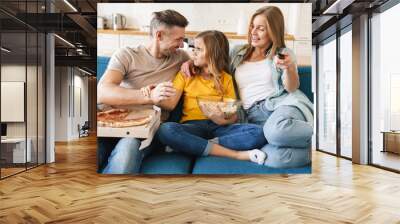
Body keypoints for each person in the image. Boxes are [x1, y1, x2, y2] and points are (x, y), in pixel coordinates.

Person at [182, 6, 313, 168]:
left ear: (273, 31)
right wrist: (191, 62)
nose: (253, 32)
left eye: (260, 28)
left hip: (281, 107)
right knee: (272, 158)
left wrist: (290, 67)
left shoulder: (283, 53)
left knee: (276, 132)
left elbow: (291, 87)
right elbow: (213, 57)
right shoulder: (238, 52)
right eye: (252, 26)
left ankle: (319, 137)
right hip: (253, 118)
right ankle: (311, 151)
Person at [97, 10, 190, 174]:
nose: (182, 44)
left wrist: (191, 63)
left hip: (143, 132)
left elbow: (207, 57)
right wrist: (150, 97)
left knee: (126, 153)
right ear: (159, 35)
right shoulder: (127, 54)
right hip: (108, 123)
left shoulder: (180, 58)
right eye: (178, 39)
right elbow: (102, 92)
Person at [154, 30, 267, 164]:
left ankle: (196, 145)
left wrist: (219, 117)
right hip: (193, 127)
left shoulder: (226, 79)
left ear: (214, 54)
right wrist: (154, 94)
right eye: (193, 48)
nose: (193, 52)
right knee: (166, 130)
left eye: (199, 49)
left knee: (260, 132)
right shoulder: (186, 74)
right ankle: (235, 154)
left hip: (219, 128)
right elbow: (170, 103)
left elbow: (232, 115)